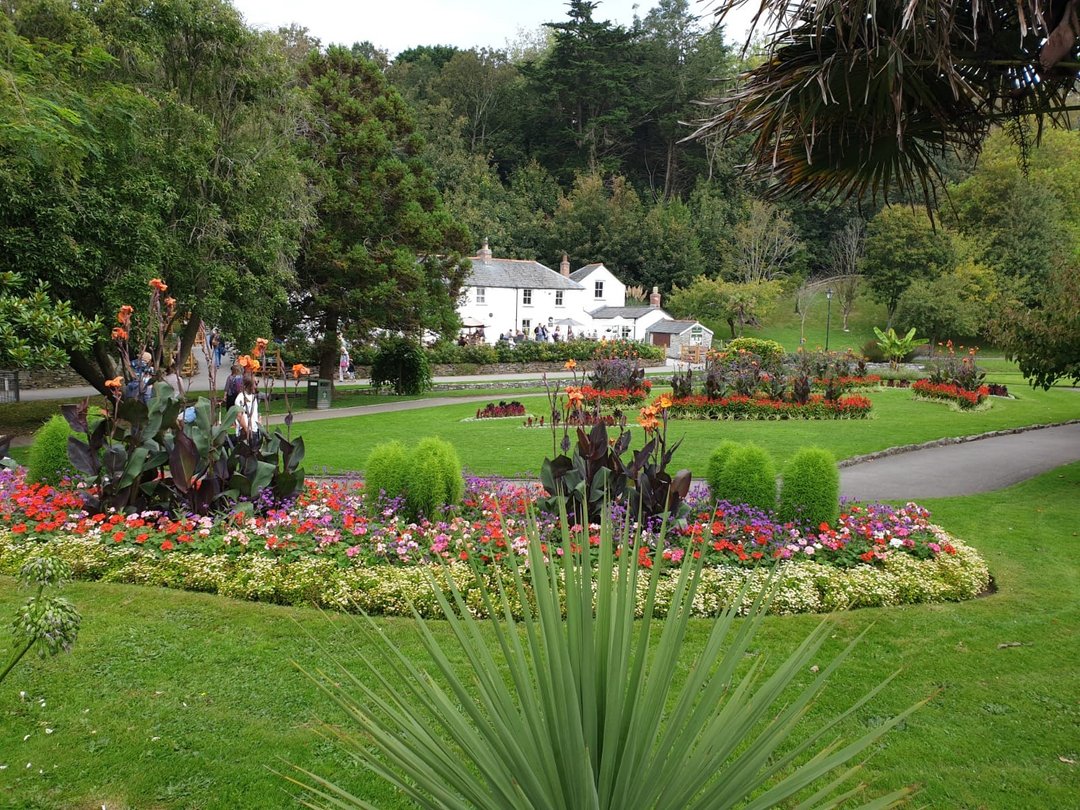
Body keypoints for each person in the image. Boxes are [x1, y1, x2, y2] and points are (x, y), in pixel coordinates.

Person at [234, 375, 260, 443]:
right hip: (245, 433)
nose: (256, 386)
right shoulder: (240, 398)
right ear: (249, 385)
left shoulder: (253, 397)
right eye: (255, 383)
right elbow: (239, 416)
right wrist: (246, 429)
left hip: (254, 430)